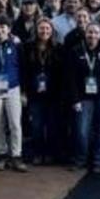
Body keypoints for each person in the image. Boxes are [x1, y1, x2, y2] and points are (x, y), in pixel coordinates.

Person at [0, 16, 28, 172]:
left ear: (9, 29)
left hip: (13, 88)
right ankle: (2, 154)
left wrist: (23, 91)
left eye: (3, 27)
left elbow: (23, 67)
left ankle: (16, 155)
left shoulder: (16, 44)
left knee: (15, 123)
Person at [68, 22, 100, 173]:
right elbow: (71, 78)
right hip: (83, 97)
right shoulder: (76, 51)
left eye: (95, 33)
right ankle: (81, 160)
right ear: (85, 34)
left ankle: (99, 161)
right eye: (89, 32)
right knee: (81, 130)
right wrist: (75, 100)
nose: (92, 36)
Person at [21, 18, 61, 166]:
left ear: (52, 31)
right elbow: (23, 71)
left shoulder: (58, 48)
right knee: (36, 126)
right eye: (41, 29)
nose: (44, 32)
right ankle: (37, 153)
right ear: (36, 31)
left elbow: (62, 74)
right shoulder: (28, 47)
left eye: (47, 29)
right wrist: (24, 92)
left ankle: (50, 153)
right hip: (34, 94)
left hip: (53, 94)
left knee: (52, 126)